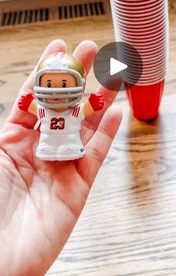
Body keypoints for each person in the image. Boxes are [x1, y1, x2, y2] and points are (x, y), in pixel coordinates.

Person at [0, 39, 122, 276]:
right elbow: (34, 109)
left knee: (67, 146)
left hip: (71, 146)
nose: (56, 90)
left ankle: (64, 150)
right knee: (48, 146)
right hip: (45, 146)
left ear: (77, 85)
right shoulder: (44, 109)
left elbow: (86, 110)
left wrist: (93, 105)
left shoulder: (74, 110)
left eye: (64, 83)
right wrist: (27, 105)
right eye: (50, 84)